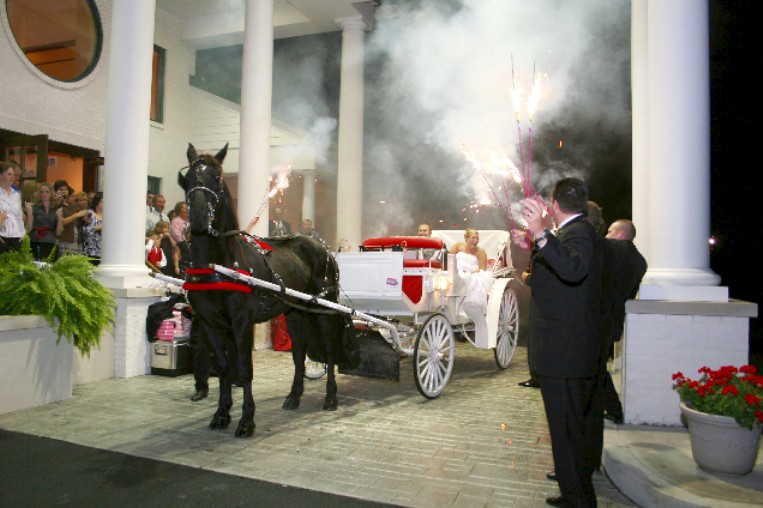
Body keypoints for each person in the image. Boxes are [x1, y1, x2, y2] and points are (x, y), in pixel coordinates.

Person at [513, 177, 604, 508]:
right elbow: (552, 276)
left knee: (566, 430)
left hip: (565, 351)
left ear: (553, 204)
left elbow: (573, 268)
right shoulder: (573, 233)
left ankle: (579, 498)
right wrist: (534, 241)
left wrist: (539, 232)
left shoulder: (579, 233)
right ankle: (573, 492)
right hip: (566, 349)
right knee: (567, 429)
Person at [602, 219, 647, 422]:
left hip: (597, 318)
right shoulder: (640, 261)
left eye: (610, 231)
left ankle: (614, 409)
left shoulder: (612, 249)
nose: (606, 235)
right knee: (597, 366)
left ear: (620, 234)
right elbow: (630, 293)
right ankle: (611, 409)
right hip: (614, 320)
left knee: (594, 369)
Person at [448, 227, 493, 314]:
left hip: (472, 274)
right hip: (455, 271)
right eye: (473, 238)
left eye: (477, 238)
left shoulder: (481, 252)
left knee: (473, 281)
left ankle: (466, 309)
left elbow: (482, 269)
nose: (475, 240)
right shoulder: (458, 246)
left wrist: (468, 273)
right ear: (467, 238)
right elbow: (449, 259)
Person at [24, 182, 60, 261]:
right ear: (38, 194)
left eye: (47, 192)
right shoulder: (34, 208)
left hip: (51, 242)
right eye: (41, 192)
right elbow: (28, 229)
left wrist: (60, 219)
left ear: (51, 194)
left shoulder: (55, 209)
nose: (44, 194)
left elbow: (58, 232)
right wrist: (29, 213)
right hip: (37, 241)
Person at [0, 162, 25, 254]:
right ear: (0, 176)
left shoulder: (16, 194)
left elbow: (19, 216)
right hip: (2, 236)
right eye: (9, 174)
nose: (12, 177)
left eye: (13, 175)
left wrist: (22, 233)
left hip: (16, 237)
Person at [56, 189, 88, 257]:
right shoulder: (65, 209)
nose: (83, 202)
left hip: (80, 242)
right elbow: (63, 222)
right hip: (67, 241)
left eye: (85, 200)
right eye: (81, 200)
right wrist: (77, 215)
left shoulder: (88, 212)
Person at [81, 192, 103, 265]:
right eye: (102, 201)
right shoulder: (90, 213)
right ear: (97, 201)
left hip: (103, 252)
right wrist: (98, 228)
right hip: (90, 251)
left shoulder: (108, 215)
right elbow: (85, 230)